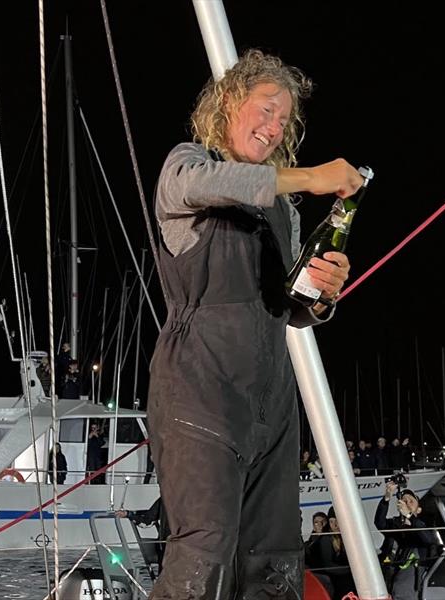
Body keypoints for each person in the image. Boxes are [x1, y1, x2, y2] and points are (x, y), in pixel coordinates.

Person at [146, 49, 362, 598]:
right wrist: (312, 176)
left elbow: (289, 306)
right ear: (227, 104)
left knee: (273, 563)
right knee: (203, 554)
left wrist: (321, 296)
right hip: (200, 393)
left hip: (272, 403)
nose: (273, 127)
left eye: (284, 120)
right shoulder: (186, 167)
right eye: (265, 110)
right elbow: (211, 184)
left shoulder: (283, 210)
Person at [374, 481, 437, 599]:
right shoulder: (395, 524)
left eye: (411, 501)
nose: (407, 503)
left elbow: (428, 539)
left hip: (408, 586)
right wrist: (386, 498)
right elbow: (379, 523)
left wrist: (409, 516)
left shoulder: (422, 526)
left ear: (418, 510)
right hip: (387, 580)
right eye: (404, 500)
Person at [117, 497, 170, 576]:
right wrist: (129, 514)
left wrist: (129, 514)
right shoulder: (193, 497)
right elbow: (147, 520)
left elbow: (147, 521)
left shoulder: (166, 498)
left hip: (168, 549)